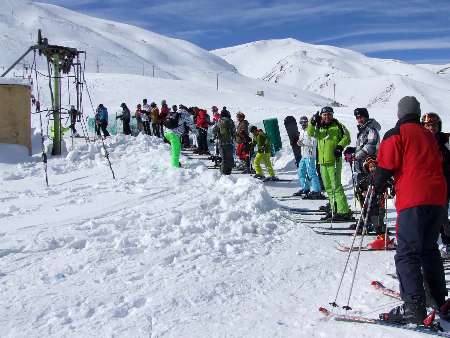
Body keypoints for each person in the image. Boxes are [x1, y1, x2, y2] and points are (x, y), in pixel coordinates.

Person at [375, 96, 448, 325]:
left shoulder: (396, 133)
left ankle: (414, 307)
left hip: (413, 198)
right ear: (417, 113)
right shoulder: (429, 135)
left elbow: (386, 164)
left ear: (400, 113)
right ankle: (438, 299)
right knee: (429, 249)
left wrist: (376, 182)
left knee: (407, 253)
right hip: (437, 198)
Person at [307, 106, 352, 221]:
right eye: (324, 114)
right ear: (321, 115)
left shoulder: (337, 125)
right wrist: (312, 122)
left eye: (329, 114)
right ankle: (334, 210)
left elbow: (347, 137)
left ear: (332, 115)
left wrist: (339, 146)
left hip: (334, 161)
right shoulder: (319, 127)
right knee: (328, 187)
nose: (327, 116)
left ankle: (343, 211)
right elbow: (310, 133)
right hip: (322, 162)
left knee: (336, 186)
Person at [420, 113, 450, 257]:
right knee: (425, 218)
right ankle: (428, 246)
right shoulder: (419, 141)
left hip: (442, 184)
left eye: (434, 125)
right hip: (424, 186)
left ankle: (447, 244)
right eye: (428, 125)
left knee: (442, 217)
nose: (431, 128)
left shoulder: (444, 141)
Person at [345, 108, 381, 206]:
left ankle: (371, 218)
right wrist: (353, 150)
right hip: (361, 166)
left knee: (369, 192)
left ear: (366, 116)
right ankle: (365, 217)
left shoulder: (371, 129)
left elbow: (370, 146)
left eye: (361, 117)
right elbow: (363, 146)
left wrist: (355, 156)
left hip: (369, 165)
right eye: (357, 118)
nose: (359, 120)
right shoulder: (363, 130)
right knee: (361, 191)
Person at [294, 116, 323, 199]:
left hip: (310, 155)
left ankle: (316, 190)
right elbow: (301, 141)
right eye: (301, 123)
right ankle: (305, 188)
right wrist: (299, 143)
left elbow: (314, 142)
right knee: (301, 171)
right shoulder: (302, 131)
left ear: (308, 122)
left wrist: (303, 143)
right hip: (304, 154)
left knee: (311, 172)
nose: (303, 124)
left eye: (304, 122)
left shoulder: (311, 130)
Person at [213, 110, 236, 175]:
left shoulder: (219, 121)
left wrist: (216, 136)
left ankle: (223, 173)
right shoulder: (231, 121)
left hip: (221, 142)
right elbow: (233, 132)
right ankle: (229, 173)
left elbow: (214, 130)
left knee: (224, 158)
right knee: (230, 157)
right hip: (229, 142)